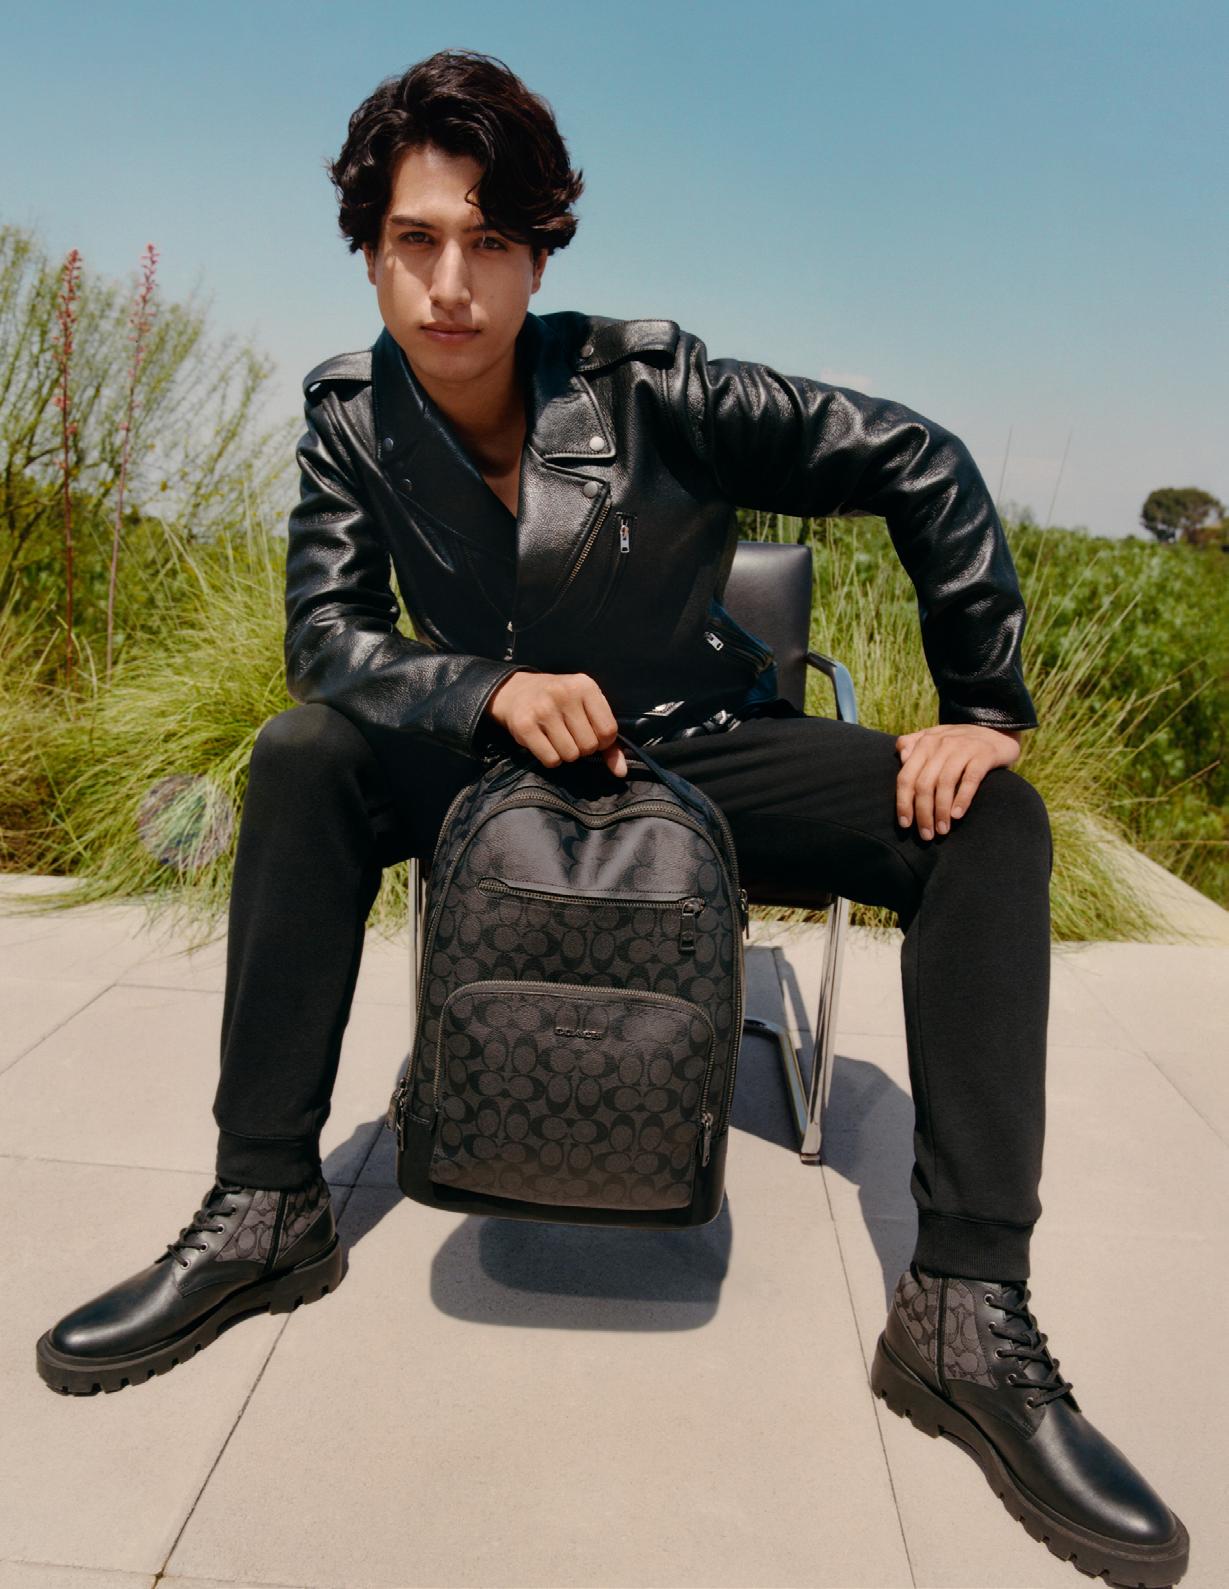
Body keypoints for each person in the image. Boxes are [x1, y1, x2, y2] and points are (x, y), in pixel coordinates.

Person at [37, 47, 1188, 1589]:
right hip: (489, 761)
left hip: (701, 755)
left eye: (488, 241)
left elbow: (916, 459)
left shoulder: (657, 388)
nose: (450, 282)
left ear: (538, 255)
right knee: (304, 753)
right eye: (415, 240)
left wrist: (980, 704)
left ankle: (963, 1311)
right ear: (370, 251)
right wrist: (482, 691)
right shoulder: (349, 418)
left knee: (990, 822)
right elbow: (327, 637)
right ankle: (265, 1203)